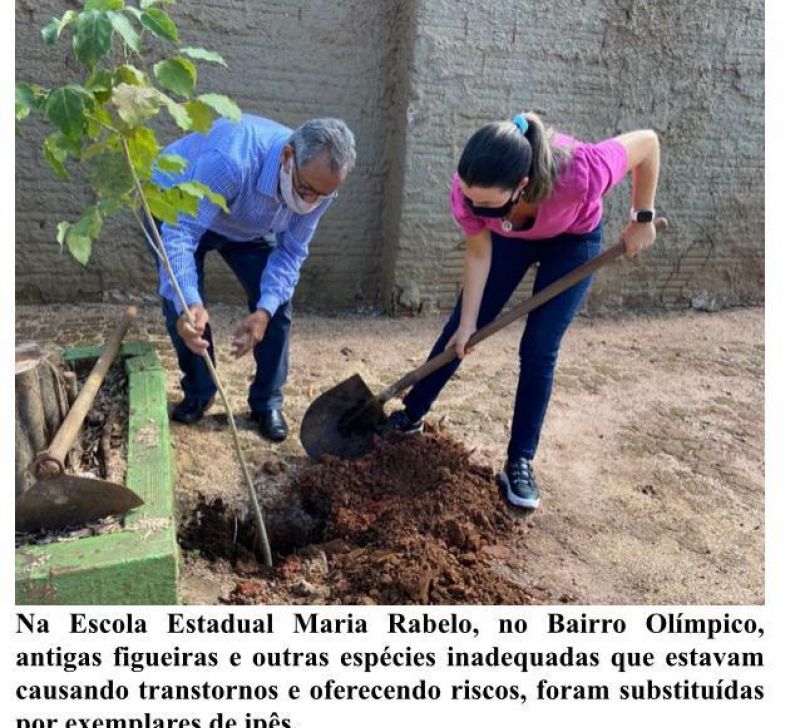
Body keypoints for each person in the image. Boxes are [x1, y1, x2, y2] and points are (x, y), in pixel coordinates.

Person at [389, 112, 660, 509]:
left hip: (573, 240)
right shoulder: (470, 191)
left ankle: (520, 460)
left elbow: (648, 143)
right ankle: (410, 415)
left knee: (539, 347)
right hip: (509, 239)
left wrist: (642, 217)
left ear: (522, 186)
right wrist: (468, 324)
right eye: (469, 198)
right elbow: (479, 250)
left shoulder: (582, 171)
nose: (472, 207)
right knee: (463, 326)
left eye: (485, 203)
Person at [151, 115, 356, 441]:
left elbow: (291, 253)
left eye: (321, 196)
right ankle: (200, 391)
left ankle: (267, 402)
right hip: (179, 205)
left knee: (277, 307)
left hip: (249, 225)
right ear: (287, 157)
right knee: (182, 309)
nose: (309, 202)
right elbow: (181, 234)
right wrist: (189, 300)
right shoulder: (232, 161)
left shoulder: (319, 188)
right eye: (305, 189)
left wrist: (264, 310)